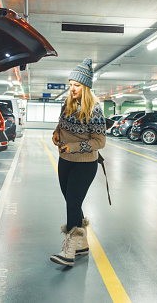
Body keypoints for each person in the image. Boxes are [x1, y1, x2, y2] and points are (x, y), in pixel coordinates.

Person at [50, 58, 106, 267]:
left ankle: (69, 250)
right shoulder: (67, 104)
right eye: (71, 85)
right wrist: (56, 134)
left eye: (77, 86)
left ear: (86, 87)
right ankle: (82, 245)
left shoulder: (95, 111)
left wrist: (73, 147)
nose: (72, 89)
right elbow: (61, 124)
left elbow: (99, 141)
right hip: (65, 161)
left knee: (73, 203)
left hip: (84, 164)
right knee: (72, 203)